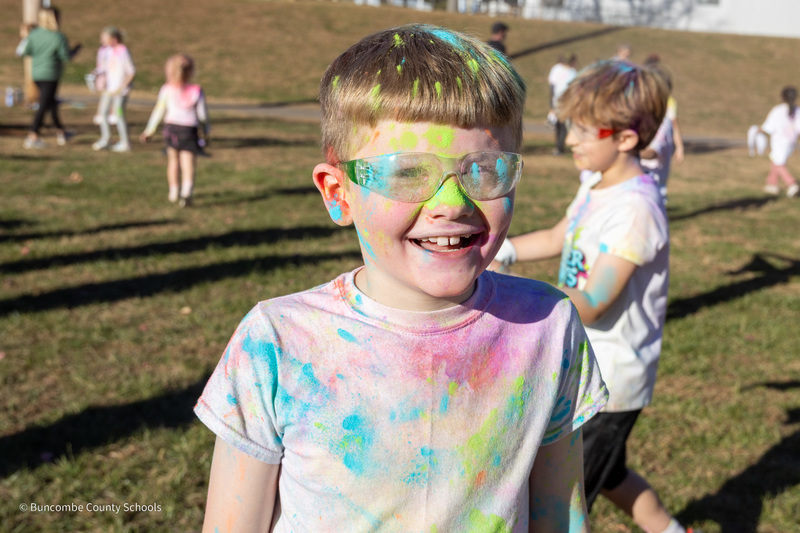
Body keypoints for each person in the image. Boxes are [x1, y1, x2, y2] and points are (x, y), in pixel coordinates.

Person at [194, 24, 608, 532]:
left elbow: (560, 516)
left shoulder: (548, 326)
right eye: (409, 172)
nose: (452, 204)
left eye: (484, 169)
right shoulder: (277, 342)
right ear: (337, 193)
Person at [493, 60, 694, 533]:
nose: (572, 139)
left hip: (609, 383)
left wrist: (516, 294)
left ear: (625, 139)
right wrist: (504, 251)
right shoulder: (595, 184)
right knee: (611, 475)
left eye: (585, 130)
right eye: (571, 126)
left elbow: (597, 298)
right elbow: (560, 235)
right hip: (582, 362)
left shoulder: (636, 208)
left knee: (557, 501)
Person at [141, 54, 209, 207]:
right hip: (189, 129)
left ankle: (173, 192)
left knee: (173, 160)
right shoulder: (196, 90)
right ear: (191, 71)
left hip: (171, 128)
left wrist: (149, 131)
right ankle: (187, 192)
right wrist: (206, 131)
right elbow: (203, 116)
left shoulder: (166, 89)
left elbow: (158, 111)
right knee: (188, 162)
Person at [21, 7, 80, 149]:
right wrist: (75, 51)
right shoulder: (58, 37)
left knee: (51, 103)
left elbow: (26, 51)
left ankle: (62, 132)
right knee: (44, 106)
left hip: (36, 74)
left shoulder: (34, 34)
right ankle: (32, 136)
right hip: (50, 74)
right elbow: (66, 56)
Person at [640, 59, 685, 200]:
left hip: (652, 186)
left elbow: (652, 153)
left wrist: (679, 147)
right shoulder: (645, 116)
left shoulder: (661, 121)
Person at [91, 27, 135, 153]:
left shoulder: (123, 51)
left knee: (119, 115)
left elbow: (131, 72)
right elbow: (102, 68)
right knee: (103, 112)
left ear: (114, 39)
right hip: (108, 90)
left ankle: (125, 142)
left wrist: (122, 87)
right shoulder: (105, 51)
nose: (102, 41)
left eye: (105, 38)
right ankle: (106, 138)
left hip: (120, 91)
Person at [757, 86, 800, 198]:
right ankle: (772, 184)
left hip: (779, 142)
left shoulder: (778, 110)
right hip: (791, 142)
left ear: (782, 97)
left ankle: (791, 184)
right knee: (776, 160)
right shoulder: (798, 111)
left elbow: (768, 127)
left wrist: (757, 130)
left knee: (779, 163)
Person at [548, 53, 577, 155]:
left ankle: (559, 147)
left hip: (559, 101)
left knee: (560, 125)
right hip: (564, 102)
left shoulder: (557, 69)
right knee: (562, 125)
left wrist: (551, 104)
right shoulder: (572, 72)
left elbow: (552, 87)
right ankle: (559, 147)